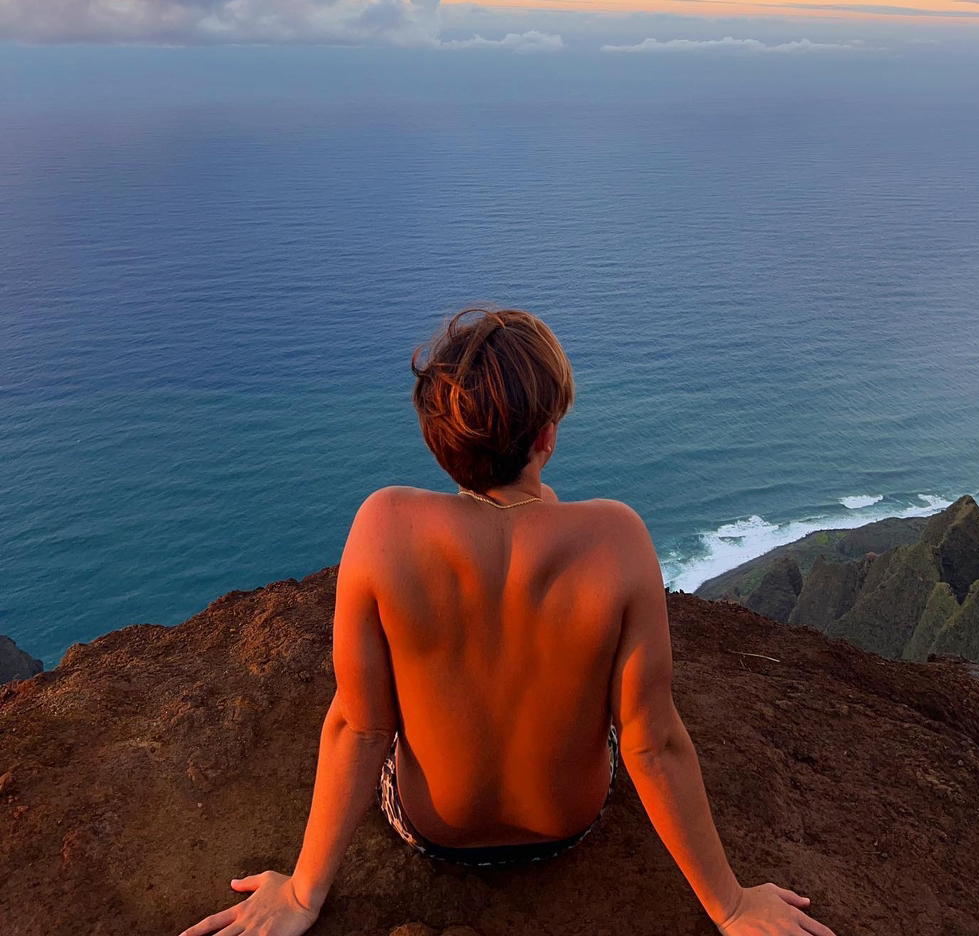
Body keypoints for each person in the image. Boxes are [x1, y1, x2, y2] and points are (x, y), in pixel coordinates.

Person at [179, 306, 837, 936]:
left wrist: (300, 894)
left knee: (348, 699)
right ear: (547, 436)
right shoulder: (616, 538)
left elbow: (361, 724)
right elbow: (650, 741)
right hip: (570, 825)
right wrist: (729, 905)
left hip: (434, 833)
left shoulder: (384, 527)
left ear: (439, 442)